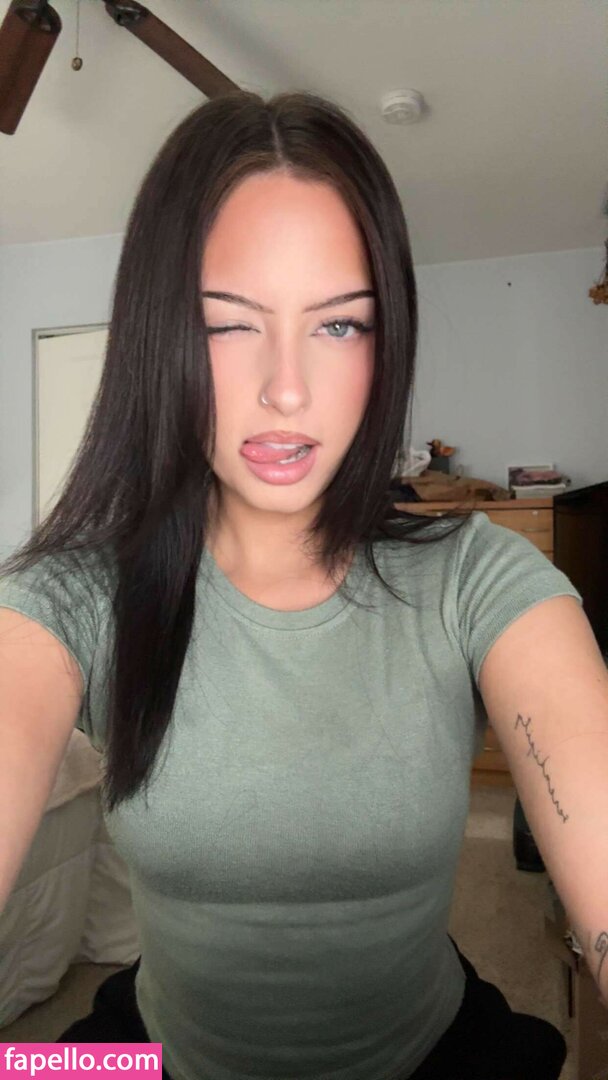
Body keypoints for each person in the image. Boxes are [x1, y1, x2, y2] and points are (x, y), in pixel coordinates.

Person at [0, 89, 590, 1079]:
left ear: (387, 341)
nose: (285, 388)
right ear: (158, 337)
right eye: (227, 325)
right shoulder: (76, 595)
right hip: (148, 1052)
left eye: (339, 326)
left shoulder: (476, 575)